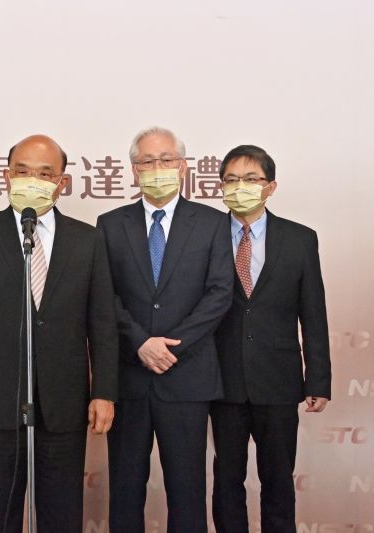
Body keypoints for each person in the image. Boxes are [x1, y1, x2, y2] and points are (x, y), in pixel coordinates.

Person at [0, 134, 119, 533]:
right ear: (7, 176)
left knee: (62, 515)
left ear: (62, 182)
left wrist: (104, 392)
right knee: (0, 515)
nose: (32, 180)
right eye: (22, 171)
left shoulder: (87, 239)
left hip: (64, 401)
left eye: (44, 173)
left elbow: (103, 323)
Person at [96, 127, 234, 533]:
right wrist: (140, 342)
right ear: (133, 170)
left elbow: (219, 293)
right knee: (125, 490)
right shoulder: (110, 224)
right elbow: (104, 295)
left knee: (187, 491)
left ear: (183, 167)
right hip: (129, 377)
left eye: (166, 160)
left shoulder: (212, 223)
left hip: (187, 376)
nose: (157, 168)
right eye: (147, 161)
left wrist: (172, 346)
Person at [210, 145, 331, 533]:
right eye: (231, 179)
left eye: (250, 179)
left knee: (278, 479)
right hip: (222, 379)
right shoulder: (205, 236)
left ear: (270, 186)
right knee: (226, 480)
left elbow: (313, 313)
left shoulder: (300, 239)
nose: (239, 186)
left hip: (278, 379)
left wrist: (318, 380)